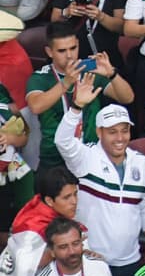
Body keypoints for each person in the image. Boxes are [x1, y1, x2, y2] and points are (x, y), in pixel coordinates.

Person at [56, 85, 145, 276]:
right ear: (99, 132)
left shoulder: (141, 163)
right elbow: (63, 141)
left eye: (124, 130)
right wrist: (77, 107)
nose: (120, 138)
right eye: (112, 132)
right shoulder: (86, 157)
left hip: (131, 260)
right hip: (93, 259)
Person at [26, 20, 135, 169]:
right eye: (62, 51)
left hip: (90, 154)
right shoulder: (41, 77)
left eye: (73, 48)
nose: (70, 55)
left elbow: (127, 97)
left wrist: (112, 74)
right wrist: (66, 82)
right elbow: (36, 106)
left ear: (78, 44)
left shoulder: (90, 71)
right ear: (49, 52)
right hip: (55, 157)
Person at [29, 218, 116, 276]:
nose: (72, 252)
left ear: (82, 243)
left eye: (75, 244)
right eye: (63, 247)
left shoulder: (101, 267)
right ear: (52, 251)